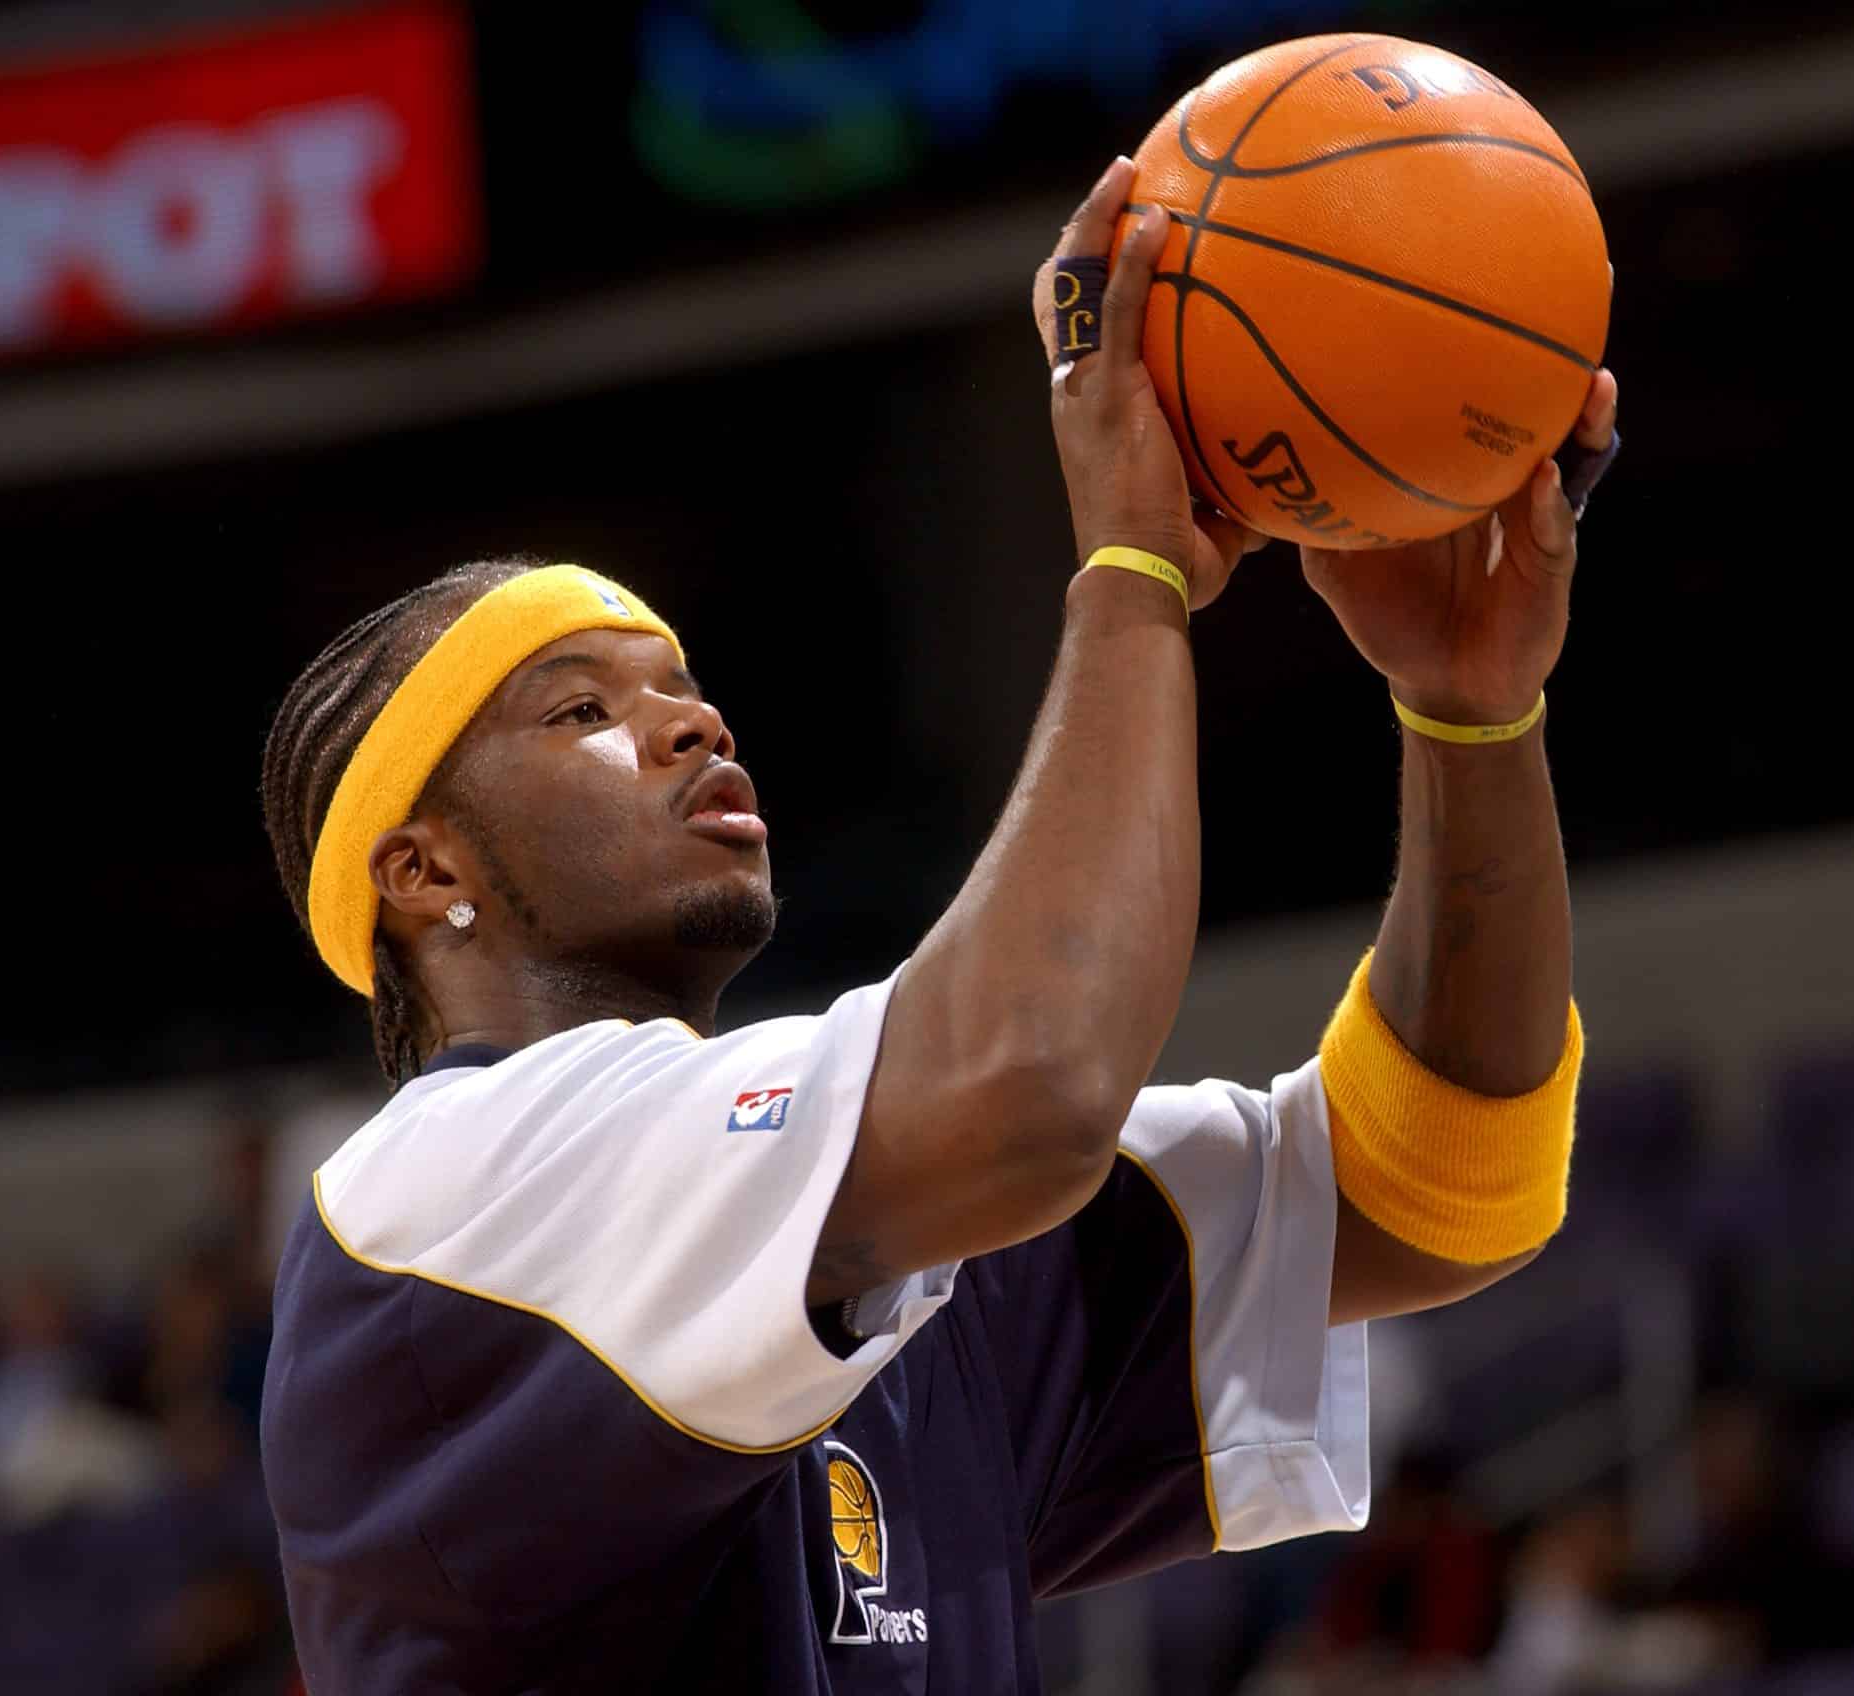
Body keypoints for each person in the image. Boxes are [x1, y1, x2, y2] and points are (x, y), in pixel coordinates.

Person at [257, 157, 1619, 1693]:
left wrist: (1469, 720)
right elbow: (1030, 1089)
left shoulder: (898, 1217)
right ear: (423, 873)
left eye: (683, 689)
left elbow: (1440, 1186)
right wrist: (1132, 569)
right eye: (581, 708)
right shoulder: (445, 1196)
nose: (691, 723)